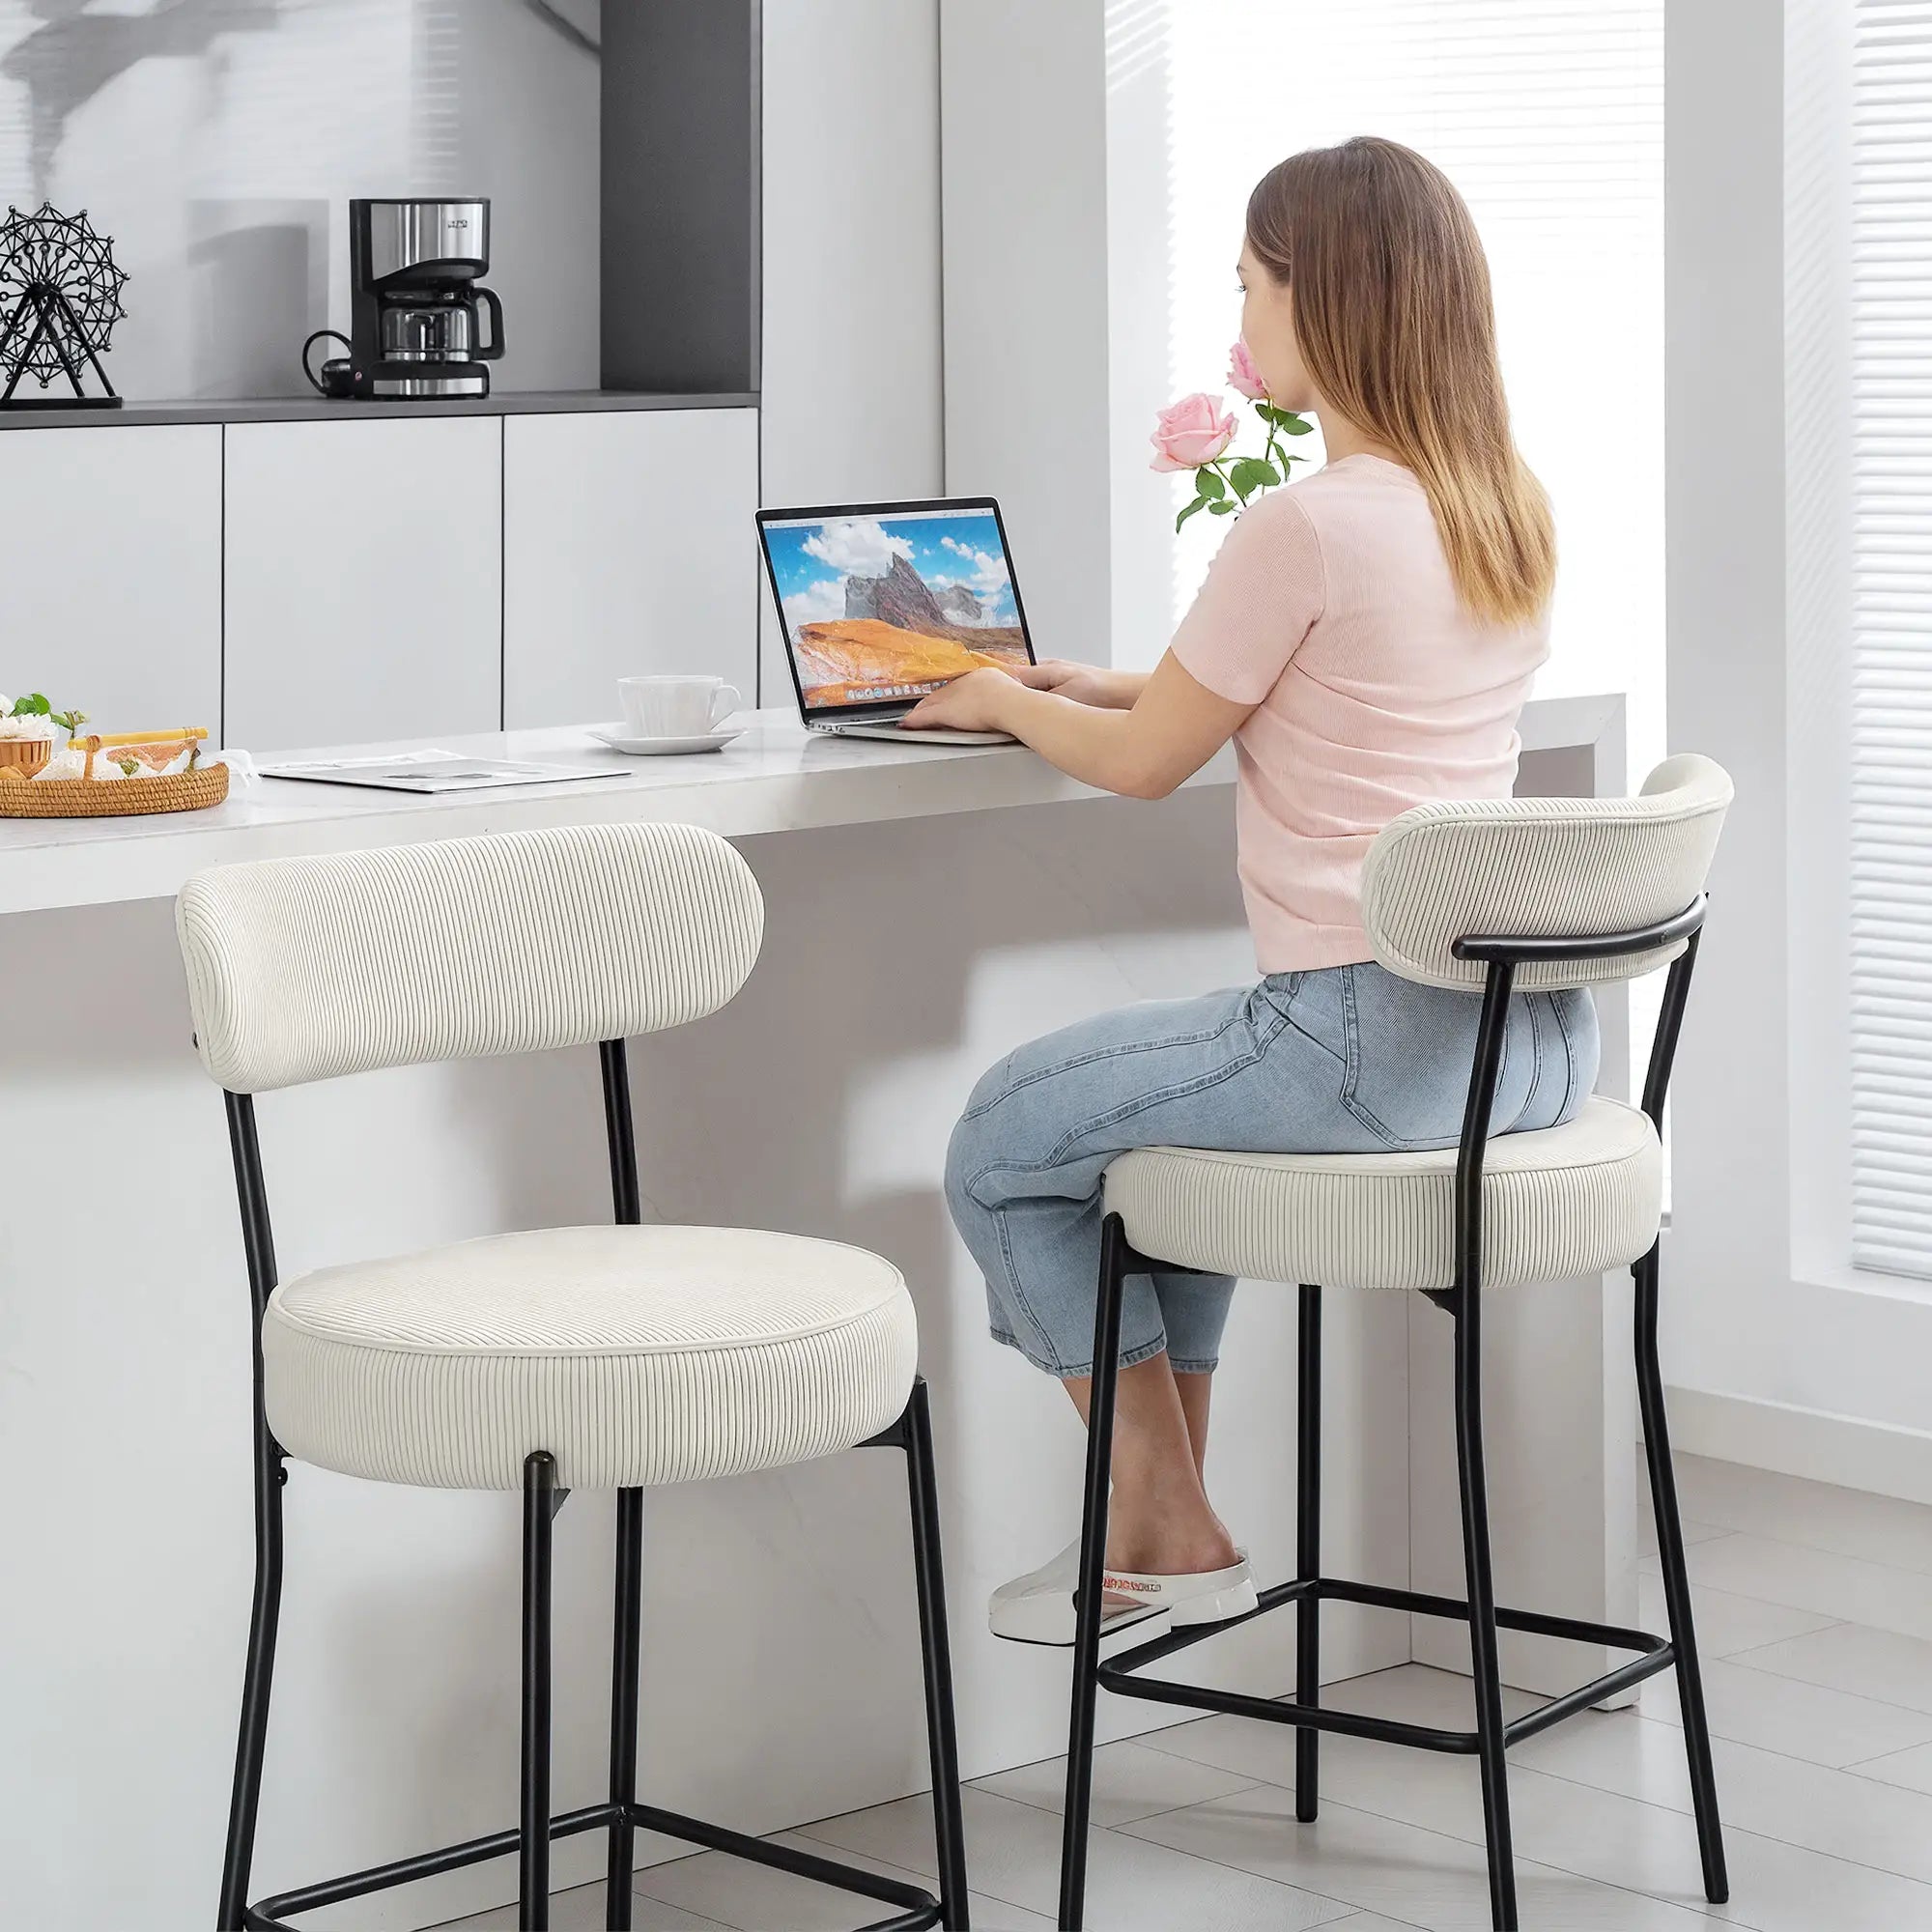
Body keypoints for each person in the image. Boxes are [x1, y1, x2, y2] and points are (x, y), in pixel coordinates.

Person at [904, 136, 1598, 1645]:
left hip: (1361, 1038)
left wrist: (1003, 701)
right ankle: (1167, 1537)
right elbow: (1315, 687)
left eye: (1247, 282)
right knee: (1151, 1160)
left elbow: (1150, 763)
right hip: (1528, 1049)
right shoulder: (1498, 504)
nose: (1236, 312)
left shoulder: (1304, 522)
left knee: (1001, 1140)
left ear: (1320, 295)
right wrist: (1094, 677)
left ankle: (1164, 1517)